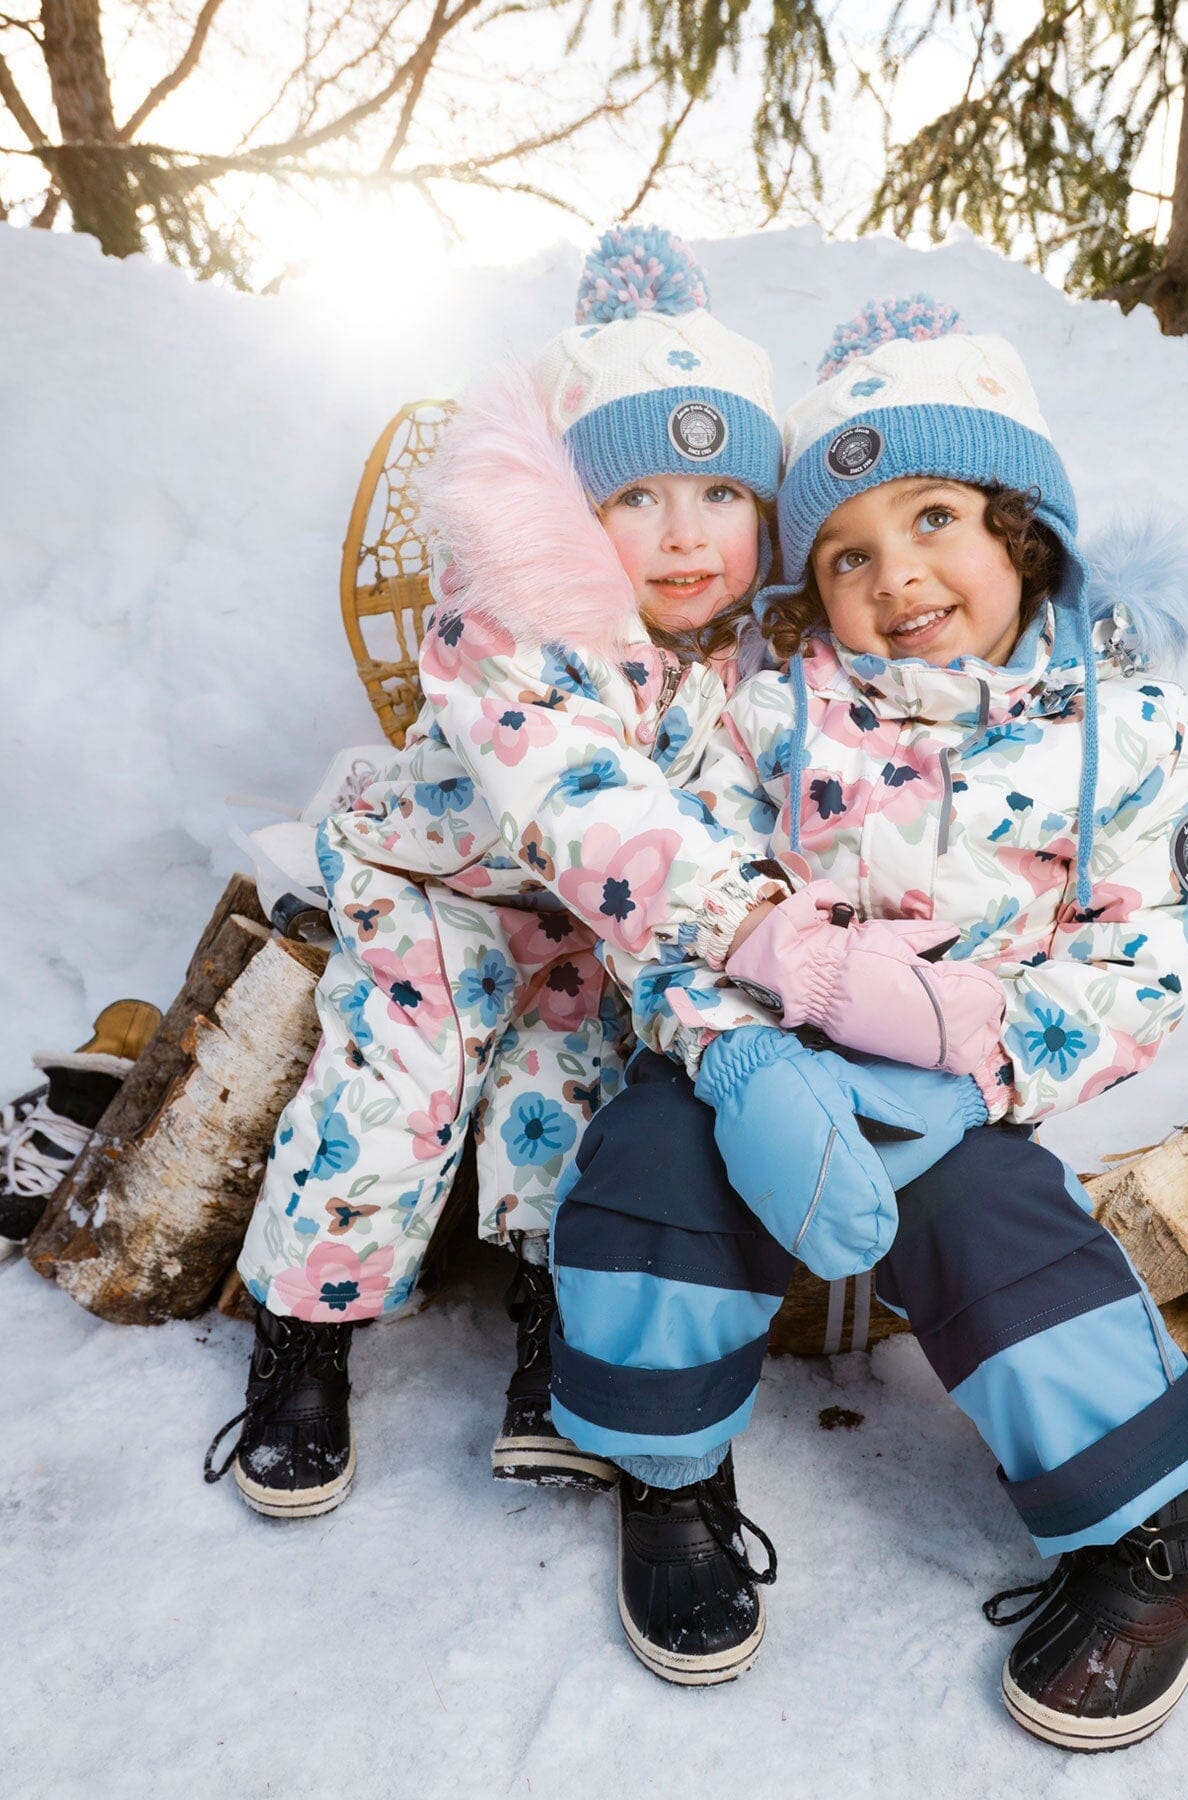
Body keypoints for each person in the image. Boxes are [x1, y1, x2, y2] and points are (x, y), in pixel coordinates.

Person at [548, 295, 1188, 1748]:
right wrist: (734, 1050)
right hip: (764, 1059)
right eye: (847, 555)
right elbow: (678, 901)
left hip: (960, 1081)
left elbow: (1150, 948)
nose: (897, 573)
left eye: (934, 520)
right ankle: (667, 1474)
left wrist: (981, 1057)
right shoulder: (768, 716)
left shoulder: (1127, 728)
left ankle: (1152, 1528)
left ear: (1022, 531)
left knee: (992, 1223)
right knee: (654, 1157)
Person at [204, 226, 801, 1515]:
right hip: (440, 885)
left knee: (574, 1090)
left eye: (720, 496)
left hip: (588, 920)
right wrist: (730, 913)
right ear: (573, 513)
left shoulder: (741, 654)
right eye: (636, 499)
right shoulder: (515, 619)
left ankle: (552, 1322)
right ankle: (305, 1328)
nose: (683, 536)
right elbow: (569, 795)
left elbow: (732, 800)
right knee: (399, 1085)